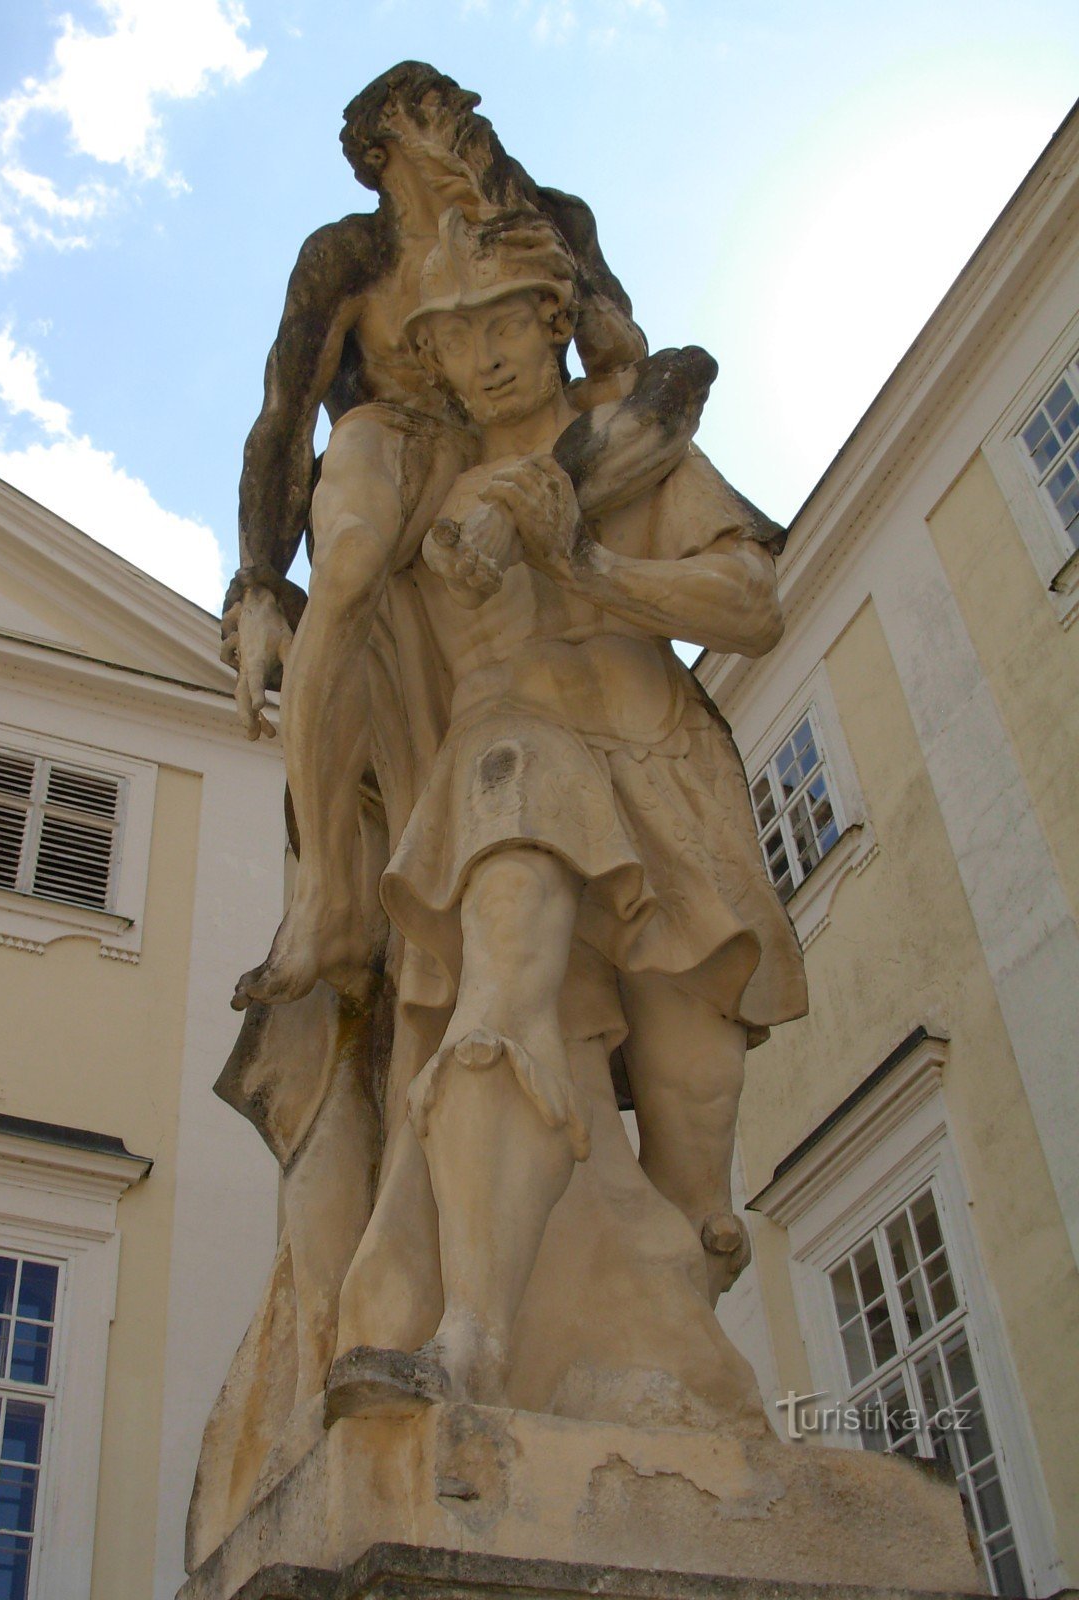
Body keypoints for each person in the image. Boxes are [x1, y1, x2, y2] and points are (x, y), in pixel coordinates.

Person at [322, 208, 807, 1416]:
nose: (482, 355)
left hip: (664, 769)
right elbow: (352, 584)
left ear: (552, 324)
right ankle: (473, 1338)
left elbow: (752, 604)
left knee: (697, 1168)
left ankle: (667, 1369)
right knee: (500, 985)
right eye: (455, 336)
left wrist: (590, 565)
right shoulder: (434, 482)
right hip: (512, 754)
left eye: (504, 324)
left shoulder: (638, 449)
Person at [223, 62, 711, 1005]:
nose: (454, 138)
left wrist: (508, 212)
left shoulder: (546, 216)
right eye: (425, 126)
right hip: (394, 439)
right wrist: (256, 582)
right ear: (379, 155)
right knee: (356, 556)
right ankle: (326, 891)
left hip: (527, 450)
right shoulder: (349, 257)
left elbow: (626, 361)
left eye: (457, 117)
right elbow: (285, 420)